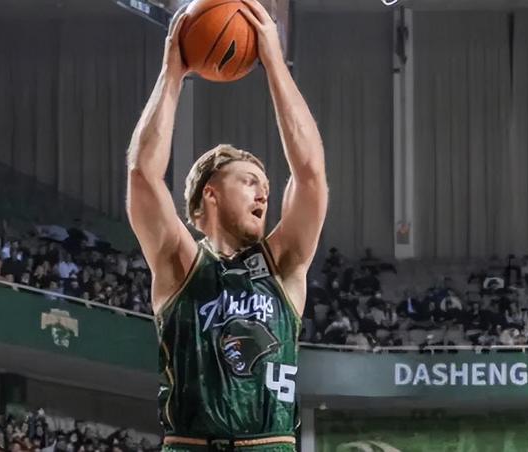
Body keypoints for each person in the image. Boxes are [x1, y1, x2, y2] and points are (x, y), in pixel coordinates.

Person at [126, 1, 328, 450]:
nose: (263, 195)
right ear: (210, 194)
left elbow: (310, 173)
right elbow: (142, 175)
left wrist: (275, 64)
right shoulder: (179, 264)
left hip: (270, 444)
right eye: (250, 181)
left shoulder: (282, 265)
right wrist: (172, 75)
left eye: (266, 187)